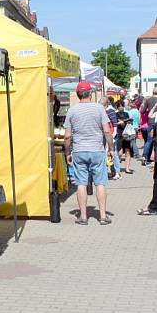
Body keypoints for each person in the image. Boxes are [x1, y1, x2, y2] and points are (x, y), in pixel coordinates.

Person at [64, 81, 115, 225]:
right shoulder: (99, 109)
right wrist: (111, 149)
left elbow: (67, 136)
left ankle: (83, 216)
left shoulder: (72, 111)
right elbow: (107, 131)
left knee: (81, 183)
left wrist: (68, 152)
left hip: (79, 151)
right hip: (97, 150)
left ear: (78, 94)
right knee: (100, 183)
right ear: (90, 94)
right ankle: (103, 216)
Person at [102, 97, 122, 179]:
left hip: (111, 135)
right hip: (104, 134)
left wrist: (114, 134)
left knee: (113, 153)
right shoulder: (103, 111)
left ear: (105, 105)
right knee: (105, 153)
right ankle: (111, 171)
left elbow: (115, 123)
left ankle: (117, 172)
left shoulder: (111, 111)